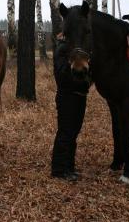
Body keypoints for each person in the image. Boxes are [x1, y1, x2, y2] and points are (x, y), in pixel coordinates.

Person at [51, 33, 90, 181]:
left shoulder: (77, 51)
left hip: (79, 96)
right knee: (66, 132)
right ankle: (59, 170)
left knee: (73, 132)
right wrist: (81, 81)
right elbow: (62, 77)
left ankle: (69, 167)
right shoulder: (62, 50)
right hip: (67, 97)